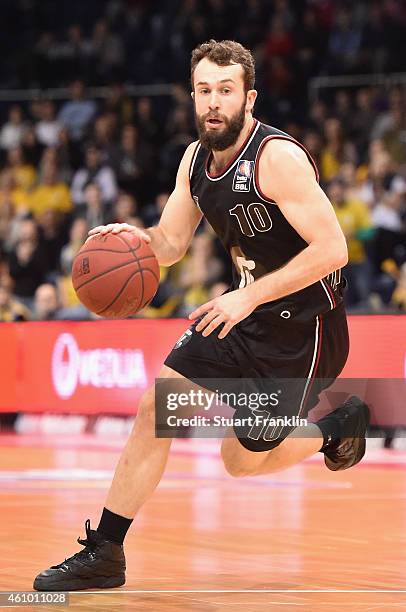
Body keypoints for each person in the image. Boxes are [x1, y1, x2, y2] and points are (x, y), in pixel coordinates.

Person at [34, 39, 370, 592]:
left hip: (304, 333)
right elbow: (169, 242)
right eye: (204, 91)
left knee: (240, 460)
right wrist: (132, 240)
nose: (214, 103)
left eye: (226, 91)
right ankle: (107, 551)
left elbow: (333, 249)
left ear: (249, 98)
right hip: (239, 315)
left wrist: (248, 296)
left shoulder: (275, 159)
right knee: (156, 406)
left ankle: (337, 428)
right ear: (193, 97)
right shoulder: (194, 161)